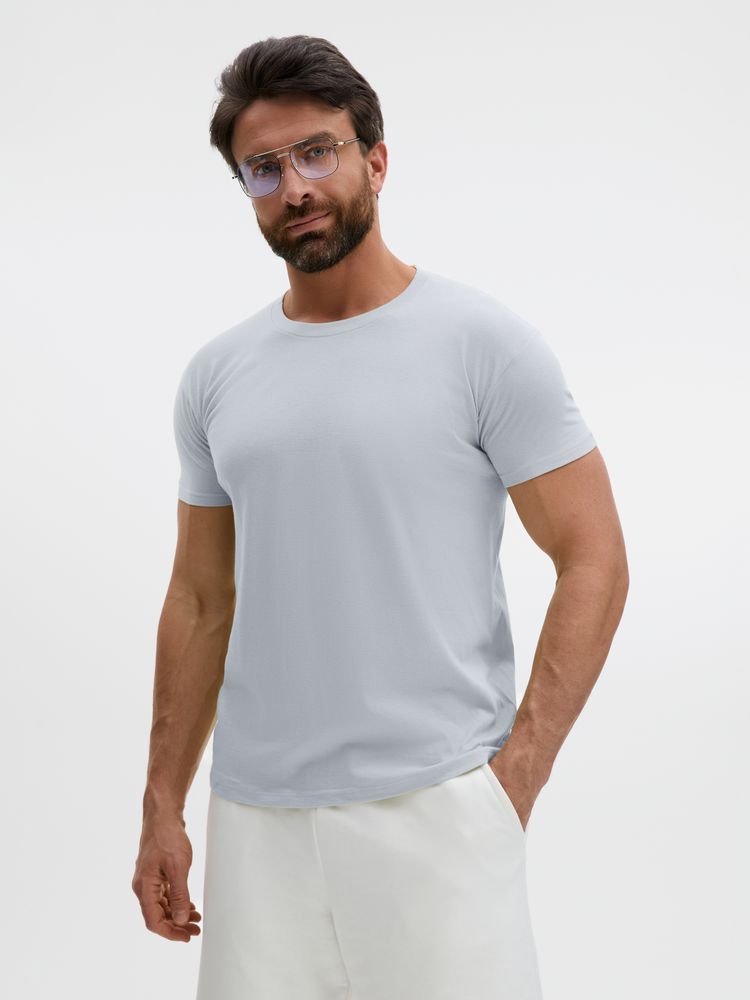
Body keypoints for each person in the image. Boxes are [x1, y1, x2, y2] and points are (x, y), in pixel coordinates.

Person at [132, 33, 629, 1000]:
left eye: (317, 152)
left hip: (437, 812)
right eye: (263, 169)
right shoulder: (217, 376)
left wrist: (516, 776)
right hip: (257, 825)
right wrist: (162, 806)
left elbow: (594, 556)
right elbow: (198, 598)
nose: (295, 187)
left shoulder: (480, 344)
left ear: (376, 159)